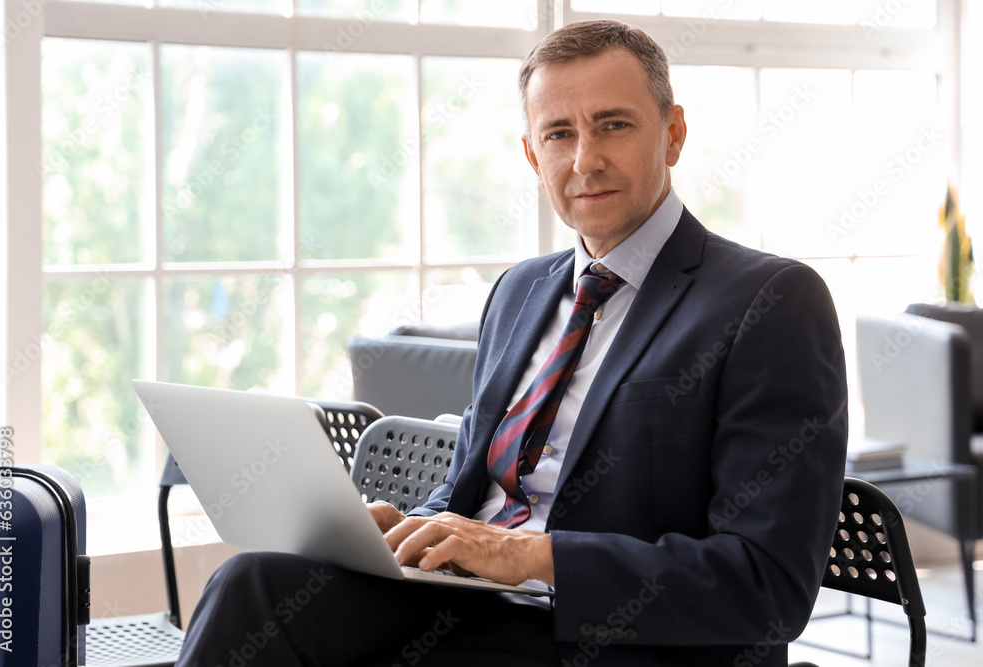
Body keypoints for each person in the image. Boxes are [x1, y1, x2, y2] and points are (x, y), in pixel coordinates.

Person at [176, 18, 847, 667]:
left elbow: (767, 583)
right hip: (472, 601)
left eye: (613, 124)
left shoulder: (770, 301)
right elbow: (481, 491)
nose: (586, 159)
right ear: (533, 153)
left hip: (614, 636)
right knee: (252, 584)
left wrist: (532, 554)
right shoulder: (521, 291)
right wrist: (405, 530)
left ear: (672, 134)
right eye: (559, 133)